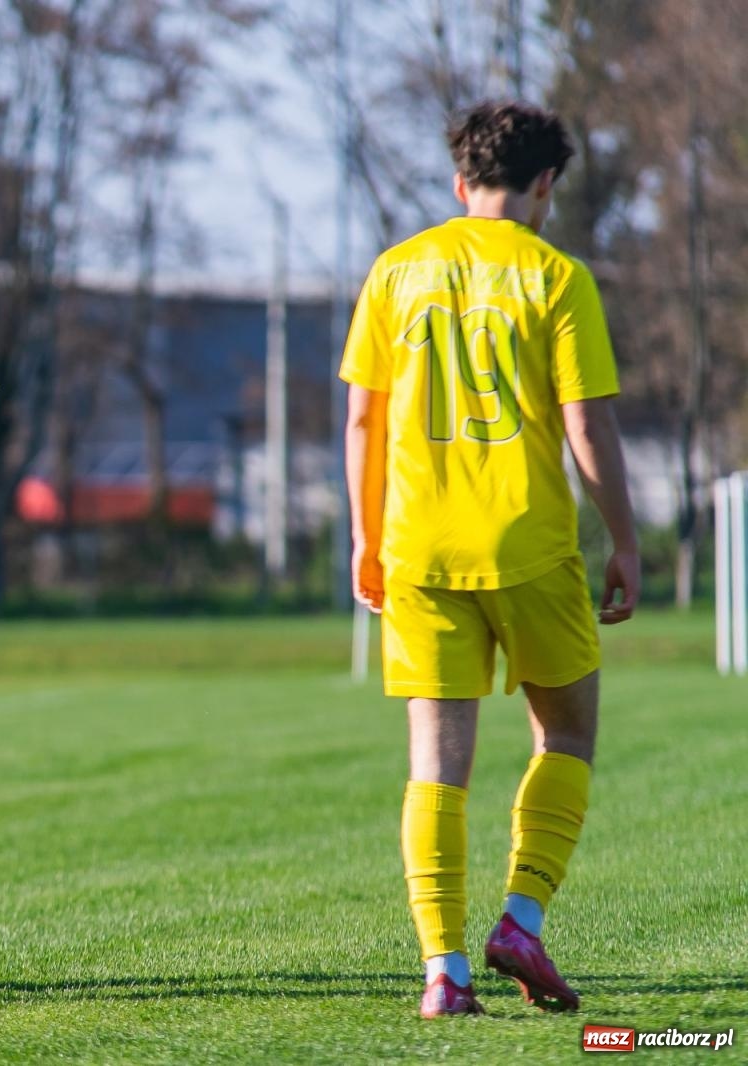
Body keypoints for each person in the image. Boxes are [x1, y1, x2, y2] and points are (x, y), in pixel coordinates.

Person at [340, 101, 639, 1018]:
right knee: (568, 734)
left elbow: (363, 417)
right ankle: (519, 918)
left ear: (458, 178)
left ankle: (444, 973)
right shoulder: (557, 276)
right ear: (546, 183)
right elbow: (586, 424)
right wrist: (624, 539)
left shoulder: (396, 272)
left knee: (436, 766)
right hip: (528, 544)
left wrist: (365, 534)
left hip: (420, 547)